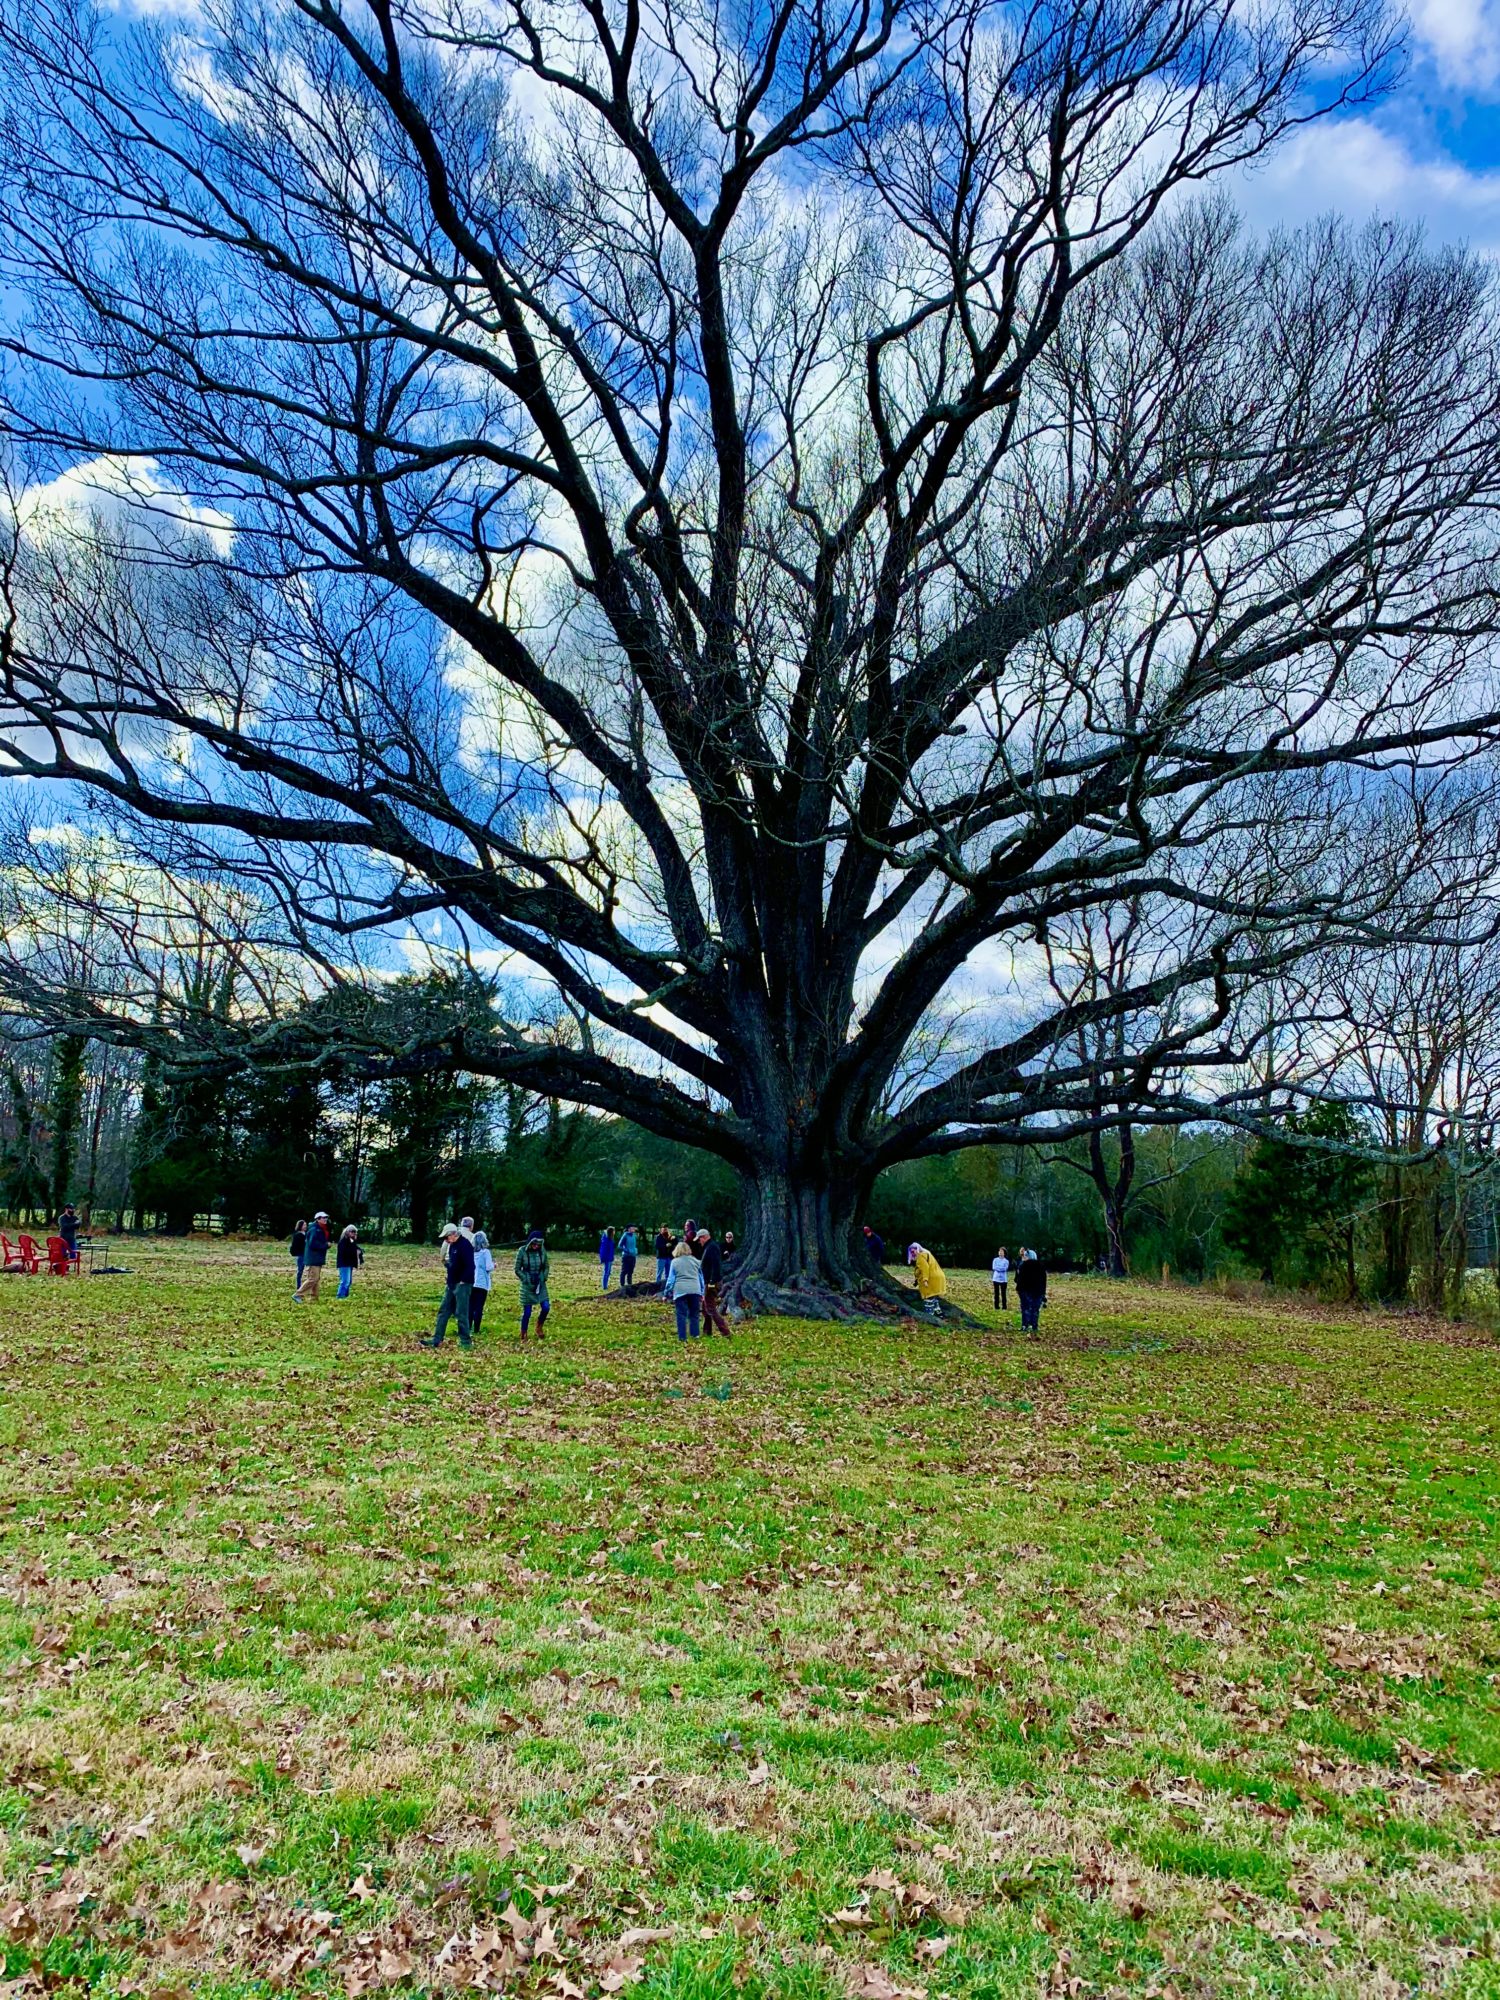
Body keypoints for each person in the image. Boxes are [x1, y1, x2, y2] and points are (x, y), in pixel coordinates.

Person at [423, 1222, 475, 1349]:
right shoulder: (452, 1246)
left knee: (461, 1313)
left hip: (463, 1285)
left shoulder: (465, 1245)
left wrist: (463, 1280)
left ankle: (465, 1341)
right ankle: (437, 1339)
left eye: (446, 1237)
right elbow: (452, 1264)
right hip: (451, 1283)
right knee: (443, 1311)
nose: (446, 1240)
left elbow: (470, 1266)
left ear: (453, 1234)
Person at [515, 1228, 550, 1339]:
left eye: (538, 1245)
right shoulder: (522, 1251)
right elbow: (517, 1269)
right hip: (527, 1285)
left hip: (540, 1283)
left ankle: (539, 1326)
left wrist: (543, 1277)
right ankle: (523, 1332)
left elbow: (546, 1266)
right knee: (527, 1312)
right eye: (534, 1244)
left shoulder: (542, 1251)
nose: (536, 1246)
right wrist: (525, 1278)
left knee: (546, 1307)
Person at [697, 1228, 731, 1337]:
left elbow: (716, 1266)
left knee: (710, 1308)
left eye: (699, 1239)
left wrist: (712, 1282)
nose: (699, 1242)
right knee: (705, 1308)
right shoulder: (709, 1247)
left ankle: (725, 1331)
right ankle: (707, 1331)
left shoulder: (712, 1247)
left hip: (712, 1282)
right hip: (709, 1281)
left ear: (704, 1237)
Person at [670, 1237, 703, 1340]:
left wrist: (667, 1292)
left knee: (681, 1314)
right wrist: (702, 1292)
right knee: (694, 1314)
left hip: (680, 1290)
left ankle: (682, 1337)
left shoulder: (674, 1262)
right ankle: (695, 1334)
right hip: (695, 1289)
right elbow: (701, 1278)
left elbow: (671, 1280)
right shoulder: (696, 1261)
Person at [906, 1241, 947, 1318]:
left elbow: (925, 1269)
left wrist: (925, 1280)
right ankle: (939, 1313)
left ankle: (930, 1315)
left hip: (930, 1279)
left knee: (928, 1297)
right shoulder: (927, 1254)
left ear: (918, 1249)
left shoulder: (920, 1257)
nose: (913, 1253)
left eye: (913, 1251)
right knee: (934, 1297)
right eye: (911, 1252)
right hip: (938, 1278)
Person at [296, 1212, 331, 1301]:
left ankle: (314, 1298)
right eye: (323, 1218)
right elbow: (313, 1244)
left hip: (317, 1258)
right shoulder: (314, 1230)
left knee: (316, 1279)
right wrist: (326, 1245)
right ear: (318, 1219)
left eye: (326, 1217)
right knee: (313, 1279)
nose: (325, 1219)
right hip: (313, 1258)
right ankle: (298, 1294)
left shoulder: (319, 1229)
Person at [1016, 1249, 1048, 1333]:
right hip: (1038, 1291)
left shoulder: (1023, 1266)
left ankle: (1025, 1325)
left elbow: (1020, 1279)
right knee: (1035, 1309)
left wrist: (1018, 1289)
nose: (1023, 1257)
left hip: (1026, 1290)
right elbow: (1044, 1281)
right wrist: (1043, 1293)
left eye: (1025, 1256)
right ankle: (1034, 1325)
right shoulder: (1041, 1266)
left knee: (1026, 1308)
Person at [470, 1228, 494, 1332]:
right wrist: (494, 1265)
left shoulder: (471, 1253)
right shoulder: (485, 1252)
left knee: (470, 1306)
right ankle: (476, 1329)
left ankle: (468, 1327)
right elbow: (489, 1267)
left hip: (471, 1282)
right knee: (479, 1307)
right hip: (482, 1283)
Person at [336, 1224, 363, 1298]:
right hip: (344, 1263)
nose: (354, 1233)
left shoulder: (352, 1241)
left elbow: (355, 1248)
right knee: (345, 1281)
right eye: (352, 1232)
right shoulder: (343, 1241)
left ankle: (345, 1294)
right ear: (347, 1232)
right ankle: (340, 1295)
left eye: (355, 1232)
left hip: (349, 1263)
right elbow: (345, 1252)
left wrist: (359, 1251)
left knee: (349, 1281)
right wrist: (355, 1252)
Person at [289, 1219, 307, 1295]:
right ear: (300, 1226)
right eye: (304, 1225)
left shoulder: (306, 1234)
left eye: (305, 1225)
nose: (305, 1226)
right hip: (301, 1255)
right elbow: (295, 1246)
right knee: (300, 1271)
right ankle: (298, 1286)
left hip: (306, 1255)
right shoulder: (298, 1235)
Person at [991, 1244, 1010, 1311]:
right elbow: (994, 1267)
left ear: (1004, 1253)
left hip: (1003, 1279)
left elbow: (1005, 1268)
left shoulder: (1006, 1261)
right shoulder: (995, 1260)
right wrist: (1000, 1268)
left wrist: (999, 1268)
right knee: (996, 1293)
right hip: (996, 1278)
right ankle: (996, 1306)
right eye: (999, 1251)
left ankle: (1004, 1307)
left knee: (1003, 1293)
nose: (1000, 1252)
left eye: (1002, 1251)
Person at [598, 1225, 615, 1290]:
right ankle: (604, 1286)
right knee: (606, 1272)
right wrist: (603, 1258)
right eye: (613, 1231)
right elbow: (603, 1250)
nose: (614, 1232)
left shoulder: (610, 1239)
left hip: (609, 1258)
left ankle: (605, 1285)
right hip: (607, 1258)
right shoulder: (606, 1240)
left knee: (608, 1272)